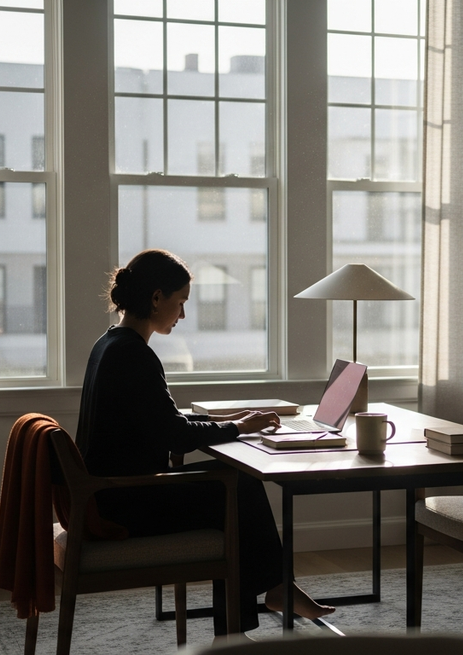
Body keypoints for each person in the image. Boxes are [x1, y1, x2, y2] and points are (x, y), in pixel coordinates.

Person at [75, 248, 334, 633]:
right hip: (127, 503)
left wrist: (227, 419)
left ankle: (252, 613)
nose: (181, 315)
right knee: (237, 485)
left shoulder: (110, 344)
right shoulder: (134, 355)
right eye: (180, 303)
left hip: (109, 495)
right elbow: (174, 435)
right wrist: (239, 429)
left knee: (231, 483)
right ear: (157, 297)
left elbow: (160, 420)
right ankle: (268, 597)